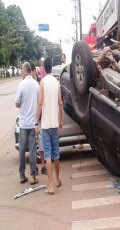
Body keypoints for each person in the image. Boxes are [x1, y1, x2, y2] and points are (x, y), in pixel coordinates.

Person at [35, 58, 63, 195]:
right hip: (54, 124)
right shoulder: (56, 82)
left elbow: (40, 103)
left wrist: (35, 122)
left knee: (47, 155)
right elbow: (60, 103)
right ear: (51, 67)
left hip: (45, 125)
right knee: (56, 154)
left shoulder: (43, 82)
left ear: (44, 69)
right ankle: (57, 180)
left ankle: (50, 186)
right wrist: (61, 120)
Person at [15, 62, 39, 184]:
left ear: (25, 71)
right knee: (33, 150)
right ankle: (33, 175)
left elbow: (17, 103)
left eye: (21, 71)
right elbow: (40, 103)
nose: (21, 73)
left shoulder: (21, 85)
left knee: (22, 150)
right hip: (33, 124)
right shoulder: (36, 85)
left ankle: (22, 175)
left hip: (24, 124)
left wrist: (22, 104)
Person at [30, 62, 48, 175]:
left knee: (40, 143)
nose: (35, 72)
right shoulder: (32, 83)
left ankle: (42, 165)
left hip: (38, 118)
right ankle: (36, 167)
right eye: (34, 70)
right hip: (32, 119)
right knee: (33, 144)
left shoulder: (39, 83)